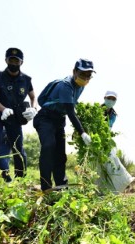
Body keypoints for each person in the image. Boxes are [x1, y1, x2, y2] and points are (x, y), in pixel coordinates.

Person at [34, 58, 94, 192]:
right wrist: (82, 132)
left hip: (59, 120)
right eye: (82, 74)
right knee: (49, 146)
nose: (85, 78)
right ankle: (46, 188)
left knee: (60, 156)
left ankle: (62, 188)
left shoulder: (81, 86)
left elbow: (70, 108)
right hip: (45, 118)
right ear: (74, 72)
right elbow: (71, 112)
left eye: (88, 75)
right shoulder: (65, 86)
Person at [0, 47, 37, 179]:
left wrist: (33, 109)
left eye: (16, 61)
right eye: (11, 60)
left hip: (14, 115)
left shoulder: (26, 79)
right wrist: (3, 109)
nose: (13, 63)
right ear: (6, 60)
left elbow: (33, 97)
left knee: (17, 146)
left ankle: (20, 178)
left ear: (21, 62)